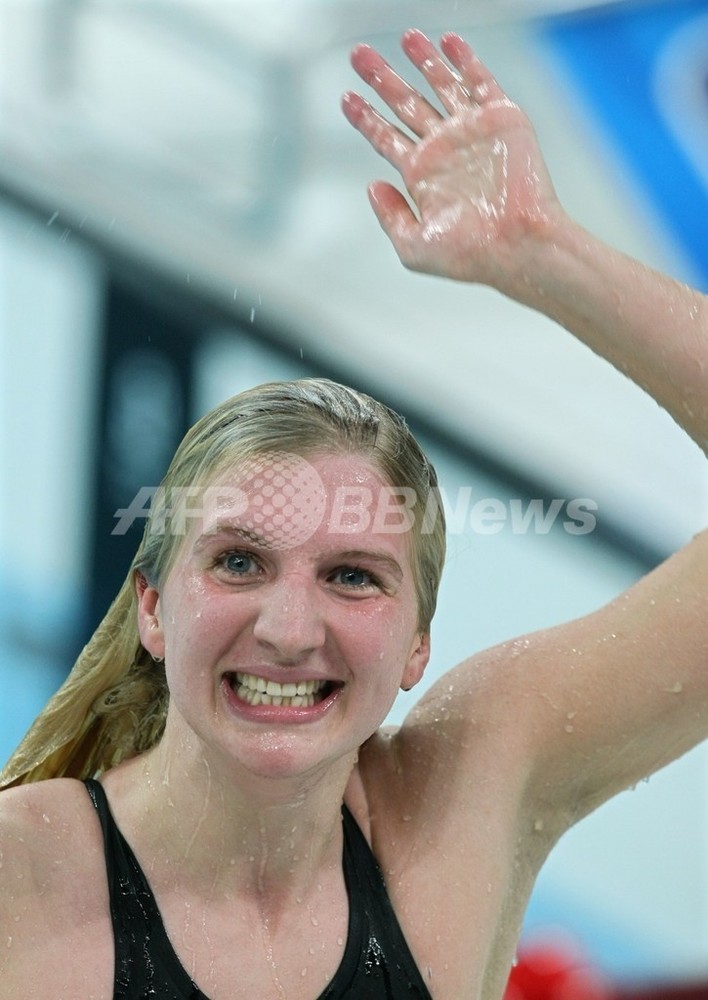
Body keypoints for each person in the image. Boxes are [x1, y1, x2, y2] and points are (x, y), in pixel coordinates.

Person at [1, 27, 706, 1000]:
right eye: (240, 561)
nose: (290, 630)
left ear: (418, 646)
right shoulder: (23, 885)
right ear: (153, 607)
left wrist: (547, 255)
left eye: (351, 576)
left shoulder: (463, 804)